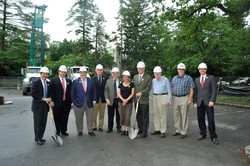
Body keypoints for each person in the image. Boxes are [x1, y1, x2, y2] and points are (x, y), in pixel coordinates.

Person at [193, 63, 219, 145]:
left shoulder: (211, 78)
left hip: (209, 102)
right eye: (200, 69)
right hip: (199, 102)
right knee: (200, 119)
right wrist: (194, 102)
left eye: (203, 69)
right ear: (199, 70)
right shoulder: (196, 80)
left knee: (211, 120)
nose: (202, 70)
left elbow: (214, 90)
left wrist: (212, 100)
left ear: (206, 70)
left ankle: (213, 136)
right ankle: (202, 134)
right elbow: (195, 92)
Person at [71, 66, 97, 136]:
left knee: (90, 118)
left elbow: (94, 91)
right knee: (79, 118)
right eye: (81, 72)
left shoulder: (91, 81)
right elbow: (72, 93)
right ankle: (79, 131)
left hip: (89, 102)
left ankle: (90, 130)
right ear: (79, 73)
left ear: (86, 73)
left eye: (84, 72)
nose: (83, 74)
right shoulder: (75, 82)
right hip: (78, 103)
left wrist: (94, 100)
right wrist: (74, 102)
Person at [171, 63, 195, 139]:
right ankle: (178, 130)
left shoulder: (188, 78)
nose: (180, 70)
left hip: (184, 97)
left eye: (182, 69)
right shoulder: (174, 78)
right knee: (176, 115)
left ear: (184, 70)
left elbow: (191, 88)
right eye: (179, 69)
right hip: (175, 98)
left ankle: (183, 132)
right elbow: (171, 87)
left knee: (184, 115)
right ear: (177, 70)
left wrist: (190, 99)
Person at [31, 66, 51, 145]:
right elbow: (33, 93)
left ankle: (41, 137)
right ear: (40, 74)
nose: (45, 75)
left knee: (43, 123)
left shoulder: (48, 83)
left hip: (45, 107)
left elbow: (50, 93)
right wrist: (43, 98)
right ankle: (37, 138)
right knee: (38, 123)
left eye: (46, 74)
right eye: (44, 74)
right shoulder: (36, 82)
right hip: (37, 106)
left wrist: (50, 98)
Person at [49, 65, 72, 136]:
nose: (63, 73)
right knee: (57, 118)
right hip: (57, 103)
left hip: (66, 103)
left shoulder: (69, 81)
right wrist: (51, 100)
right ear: (59, 72)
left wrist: (70, 102)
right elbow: (50, 92)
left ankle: (64, 130)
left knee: (65, 117)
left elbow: (70, 92)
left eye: (65, 72)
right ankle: (57, 131)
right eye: (62, 72)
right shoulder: (53, 81)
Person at [151, 66, 172, 138]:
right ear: (154, 73)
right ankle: (157, 129)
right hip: (155, 97)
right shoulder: (153, 80)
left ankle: (163, 131)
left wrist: (169, 100)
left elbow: (169, 90)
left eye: (158, 73)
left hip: (163, 96)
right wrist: (151, 98)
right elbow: (151, 90)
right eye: (155, 73)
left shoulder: (165, 80)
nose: (157, 75)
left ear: (161, 73)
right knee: (156, 114)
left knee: (162, 114)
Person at [133, 61, 152, 138]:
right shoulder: (135, 77)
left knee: (145, 116)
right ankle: (140, 128)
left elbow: (148, 87)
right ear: (137, 69)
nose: (140, 69)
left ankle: (145, 130)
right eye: (139, 68)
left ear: (144, 68)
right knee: (138, 115)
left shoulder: (148, 77)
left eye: (141, 68)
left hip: (144, 100)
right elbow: (133, 87)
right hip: (136, 100)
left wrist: (141, 93)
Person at [117, 70, 135, 136]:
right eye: (124, 77)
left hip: (129, 103)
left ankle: (127, 129)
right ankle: (123, 128)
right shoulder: (120, 85)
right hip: (121, 103)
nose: (126, 78)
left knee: (127, 116)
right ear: (123, 77)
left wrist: (126, 100)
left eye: (127, 77)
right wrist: (123, 100)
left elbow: (132, 93)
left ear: (129, 77)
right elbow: (118, 93)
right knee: (122, 116)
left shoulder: (132, 84)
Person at [104, 67, 121, 133]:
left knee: (118, 114)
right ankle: (110, 127)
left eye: (117, 73)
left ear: (118, 74)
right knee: (110, 114)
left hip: (118, 100)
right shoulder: (108, 81)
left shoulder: (121, 81)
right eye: (114, 73)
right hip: (110, 100)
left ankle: (118, 127)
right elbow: (106, 91)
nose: (115, 75)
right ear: (112, 74)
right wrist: (107, 99)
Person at [92, 64, 108, 132]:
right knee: (94, 114)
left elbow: (107, 89)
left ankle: (100, 126)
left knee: (102, 114)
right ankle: (94, 126)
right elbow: (91, 90)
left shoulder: (106, 79)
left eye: (101, 70)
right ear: (96, 70)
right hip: (95, 99)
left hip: (103, 99)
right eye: (98, 70)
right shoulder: (92, 79)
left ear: (102, 71)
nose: (99, 71)